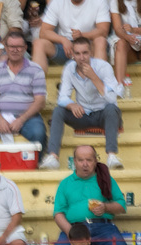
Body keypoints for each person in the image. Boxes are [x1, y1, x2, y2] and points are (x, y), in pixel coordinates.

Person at [50, 144, 129, 245]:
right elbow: (58, 213)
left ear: (95, 161)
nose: (85, 164)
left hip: (103, 227)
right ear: (74, 161)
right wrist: (71, 232)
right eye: (80, 160)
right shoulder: (65, 183)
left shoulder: (105, 179)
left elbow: (121, 206)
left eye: (89, 160)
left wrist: (105, 207)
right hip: (75, 227)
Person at [40, 37, 125, 170]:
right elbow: (62, 97)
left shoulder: (103, 67)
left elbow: (112, 99)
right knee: (58, 110)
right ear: (73, 55)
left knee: (111, 109)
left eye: (85, 53)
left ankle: (112, 156)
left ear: (91, 52)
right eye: (78, 53)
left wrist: (94, 78)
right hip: (82, 114)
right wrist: (71, 105)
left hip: (103, 114)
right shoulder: (69, 68)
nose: (82, 57)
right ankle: (53, 157)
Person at [0, 30, 48, 153]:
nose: (15, 50)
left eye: (19, 47)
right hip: (0, 116)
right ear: (6, 48)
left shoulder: (36, 70)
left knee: (38, 133)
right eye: (12, 46)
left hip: (28, 118)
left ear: (25, 48)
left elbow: (40, 101)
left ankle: (34, 168)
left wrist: (21, 119)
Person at [33, 0, 111, 65]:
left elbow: (103, 31)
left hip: (89, 47)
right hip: (66, 48)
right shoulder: (57, 2)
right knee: (38, 43)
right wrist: (63, 40)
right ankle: (37, 82)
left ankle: (99, 81)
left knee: (100, 40)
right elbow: (43, 32)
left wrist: (82, 35)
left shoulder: (99, 2)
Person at [110, 0, 141, 88]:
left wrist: (134, 30)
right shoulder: (115, 2)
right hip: (129, 45)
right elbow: (118, 29)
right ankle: (119, 87)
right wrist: (128, 37)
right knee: (120, 43)